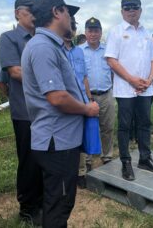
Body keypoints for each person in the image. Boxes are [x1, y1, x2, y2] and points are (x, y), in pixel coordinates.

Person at [21, 0, 99, 227]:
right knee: (59, 205)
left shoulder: (52, 46)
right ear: (56, 12)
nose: (70, 19)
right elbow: (57, 97)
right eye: (67, 11)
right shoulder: (43, 47)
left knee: (58, 201)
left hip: (61, 140)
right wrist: (87, 109)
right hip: (57, 142)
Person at [105, 0, 153, 181]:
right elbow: (111, 60)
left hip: (145, 88)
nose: (131, 11)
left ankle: (145, 158)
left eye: (135, 7)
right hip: (125, 89)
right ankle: (126, 162)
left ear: (140, 10)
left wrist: (148, 79)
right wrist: (131, 79)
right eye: (127, 8)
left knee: (145, 124)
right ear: (122, 11)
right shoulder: (116, 32)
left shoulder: (147, 33)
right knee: (124, 126)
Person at [0, 0, 43, 225]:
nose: (34, 14)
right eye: (29, 10)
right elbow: (14, 72)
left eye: (37, 10)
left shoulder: (42, 37)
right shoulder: (10, 38)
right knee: (28, 159)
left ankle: (41, 200)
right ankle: (27, 206)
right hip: (25, 112)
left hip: (46, 110)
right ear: (17, 13)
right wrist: (48, 82)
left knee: (43, 157)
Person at [80, 17, 115, 168]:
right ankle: (87, 160)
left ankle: (107, 156)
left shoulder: (108, 50)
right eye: (90, 31)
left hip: (106, 94)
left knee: (107, 127)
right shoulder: (79, 51)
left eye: (96, 31)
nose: (93, 34)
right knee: (87, 128)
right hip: (87, 96)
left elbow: (113, 72)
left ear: (101, 33)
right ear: (85, 32)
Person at [63, 16, 91, 189]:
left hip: (82, 101)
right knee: (68, 138)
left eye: (73, 26)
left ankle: (81, 172)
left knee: (81, 138)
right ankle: (68, 173)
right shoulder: (55, 50)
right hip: (66, 102)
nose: (70, 30)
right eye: (68, 25)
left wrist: (89, 98)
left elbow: (85, 77)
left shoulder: (79, 51)